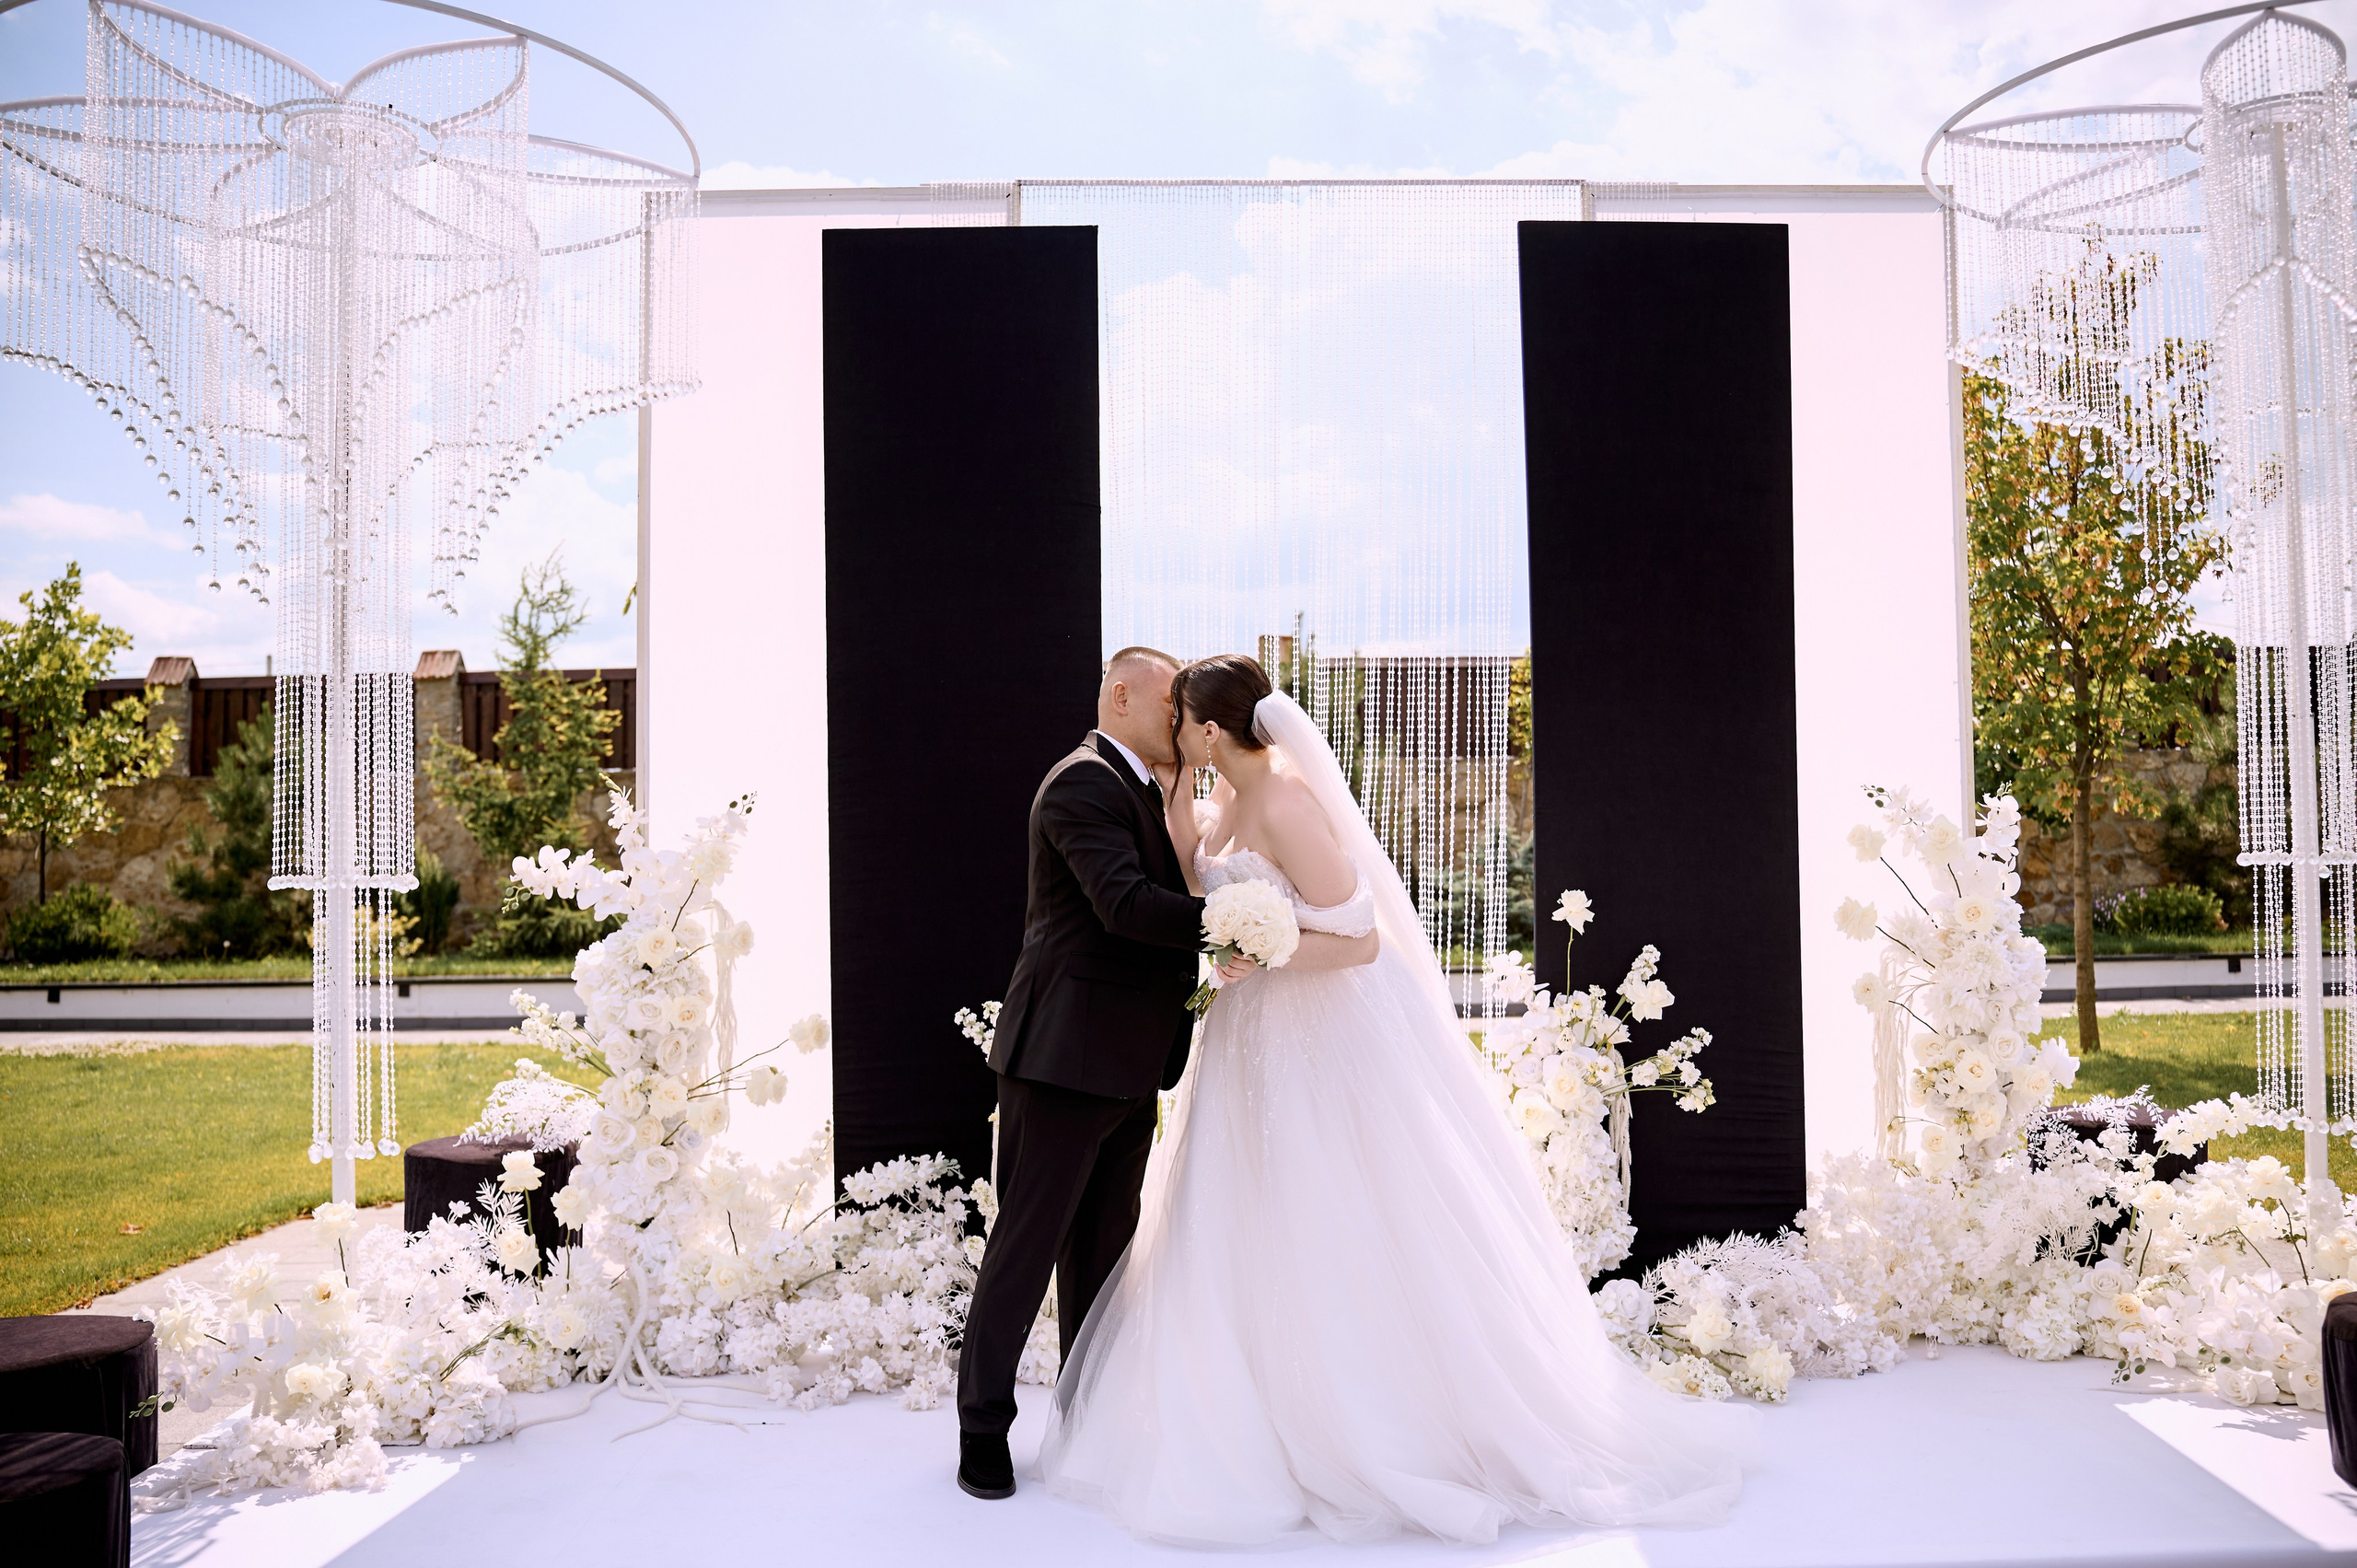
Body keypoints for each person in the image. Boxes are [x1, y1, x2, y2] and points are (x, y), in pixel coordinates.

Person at [1035, 653, 1759, 1547]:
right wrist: (1187, 807)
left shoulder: (1289, 802)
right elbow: (1192, 883)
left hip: (1309, 1036)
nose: (1172, 733)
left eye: (1182, 721)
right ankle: (1251, 1406)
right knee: (1236, 1214)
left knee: (1329, 1209)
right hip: (1243, 1043)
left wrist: (1264, 947)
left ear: (1210, 729)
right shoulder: (1218, 799)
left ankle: (1360, 1416)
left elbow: (1357, 939)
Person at [954, 646, 1250, 1502]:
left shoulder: (1151, 791)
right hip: (1062, 1062)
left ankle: (1085, 1423)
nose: (1180, 721)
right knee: (1026, 1248)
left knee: (1104, 1260)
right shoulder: (1081, 783)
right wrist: (1237, 921)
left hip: (1130, 1063)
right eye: (1169, 706)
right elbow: (1122, 905)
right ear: (1120, 695)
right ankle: (982, 1430)